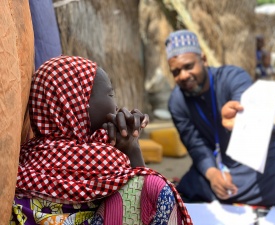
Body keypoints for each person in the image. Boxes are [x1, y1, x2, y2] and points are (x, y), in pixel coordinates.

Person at [10, 55, 192, 224]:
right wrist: (132, 148)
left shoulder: (25, 155)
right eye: (110, 94)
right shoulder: (102, 157)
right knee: (154, 186)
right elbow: (145, 197)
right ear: (81, 103)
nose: (115, 105)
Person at [165, 30, 275, 209]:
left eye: (188, 66)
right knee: (185, 190)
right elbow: (196, 145)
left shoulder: (232, 76)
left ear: (203, 60)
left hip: (261, 156)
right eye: (176, 72)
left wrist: (240, 119)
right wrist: (213, 174)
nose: (183, 76)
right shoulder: (177, 102)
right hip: (221, 163)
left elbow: (248, 105)